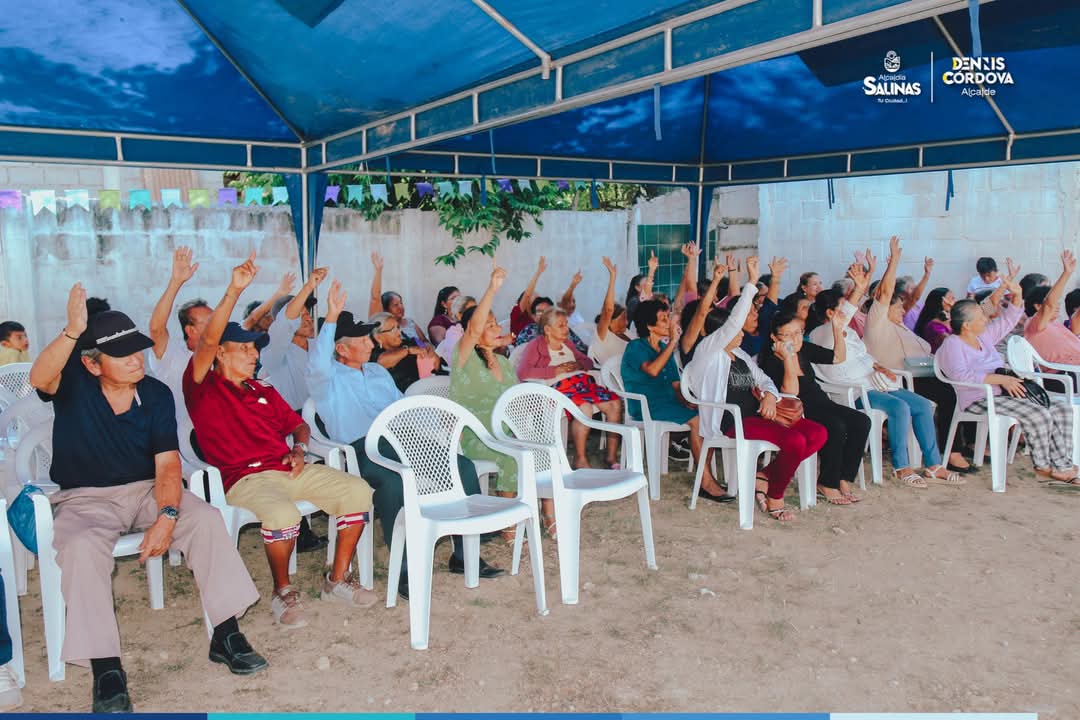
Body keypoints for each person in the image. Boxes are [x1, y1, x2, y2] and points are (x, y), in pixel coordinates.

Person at [29, 289, 266, 712]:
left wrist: (168, 515)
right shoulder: (73, 385)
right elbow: (38, 378)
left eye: (137, 349)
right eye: (122, 355)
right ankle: (106, 669)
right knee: (81, 548)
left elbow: (168, 465)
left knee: (206, 519)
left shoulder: (155, 393)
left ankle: (226, 633)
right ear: (92, 364)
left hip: (147, 491)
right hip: (85, 499)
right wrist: (72, 331)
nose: (136, 359)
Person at [185, 252, 377, 629]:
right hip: (245, 479)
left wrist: (300, 449)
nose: (253, 353)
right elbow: (206, 340)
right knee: (284, 514)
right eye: (244, 348)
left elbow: (298, 425)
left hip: (288, 468)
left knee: (358, 491)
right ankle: (282, 591)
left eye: (255, 348)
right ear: (219, 354)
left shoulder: (263, 389)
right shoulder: (203, 387)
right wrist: (234, 291)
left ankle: (336, 579)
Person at [308, 281, 504, 601]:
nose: (370, 343)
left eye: (368, 337)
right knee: (395, 483)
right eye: (361, 340)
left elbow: (403, 406)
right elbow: (317, 362)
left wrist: (435, 430)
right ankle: (404, 567)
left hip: (402, 440)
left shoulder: (377, 372)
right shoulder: (327, 380)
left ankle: (464, 553)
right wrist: (330, 317)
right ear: (341, 349)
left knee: (462, 467)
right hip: (362, 450)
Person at [684, 264, 827, 521]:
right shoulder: (707, 353)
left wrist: (770, 396)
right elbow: (733, 322)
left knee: (818, 433)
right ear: (721, 333)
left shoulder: (740, 355)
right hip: (733, 421)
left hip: (760, 415)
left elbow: (765, 380)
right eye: (736, 330)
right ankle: (775, 497)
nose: (740, 333)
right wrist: (750, 283)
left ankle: (763, 477)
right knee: (794, 441)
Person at [826, 237, 962, 487]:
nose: (903, 311)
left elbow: (864, 357)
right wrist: (894, 263)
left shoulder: (866, 332)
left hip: (883, 382)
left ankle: (933, 464)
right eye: (897, 307)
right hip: (861, 389)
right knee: (901, 407)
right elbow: (884, 294)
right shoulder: (875, 324)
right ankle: (901, 467)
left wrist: (876, 366)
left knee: (922, 405)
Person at [938, 273, 1078, 486]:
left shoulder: (983, 337)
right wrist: (1001, 380)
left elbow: (1008, 320)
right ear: (966, 325)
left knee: (1062, 409)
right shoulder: (952, 344)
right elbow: (961, 376)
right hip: (978, 399)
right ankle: (1042, 466)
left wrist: (1017, 294)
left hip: (1006, 393)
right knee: (1038, 413)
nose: (986, 319)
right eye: (981, 317)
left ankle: (1062, 466)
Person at [760, 306, 871, 504]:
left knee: (861, 421)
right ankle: (827, 482)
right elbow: (790, 392)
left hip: (820, 401)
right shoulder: (771, 360)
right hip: (797, 410)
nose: (795, 339)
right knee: (836, 426)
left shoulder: (803, 349)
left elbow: (838, 357)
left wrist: (837, 329)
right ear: (774, 338)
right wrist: (788, 358)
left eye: (798, 333)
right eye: (788, 335)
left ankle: (843, 477)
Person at [450, 265, 530, 537]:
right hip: (478, 436)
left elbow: (516, 400)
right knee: (512, 455)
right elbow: (473, 329)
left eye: (497, 324)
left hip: (507, 431)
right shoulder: (463, 356)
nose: (497, 328)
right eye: (490, 324)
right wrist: (492, 289)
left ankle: (545, 512)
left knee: (539, 447)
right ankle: (508, 524)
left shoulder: (504, 363)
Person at [620, 299, 725, 501]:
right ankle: (705, 481)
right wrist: (672, 343)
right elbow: (652, 370)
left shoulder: (663, 347)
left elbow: (676, 385)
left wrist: (688, 401)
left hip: (668, 403)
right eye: (663, 319)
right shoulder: (636, 346)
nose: (668, 322)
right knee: (698, 422)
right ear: (649, 326)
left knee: (707, 415)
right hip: (646, 406)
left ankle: (705, 475)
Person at [517, 307, 623, 470]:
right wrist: (555, 370)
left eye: (566, 324)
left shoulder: (567, 344)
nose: (566, 329)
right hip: (559, 389)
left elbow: (588, 361)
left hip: (582, 385)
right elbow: (523, 372)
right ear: (547, 329)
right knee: (584, 408)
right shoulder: (536, 345)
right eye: (561, 325)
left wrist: (578, 364)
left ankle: (611, 457)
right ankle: (580, 459)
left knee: (614, 403)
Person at [261, 268, 324, 411]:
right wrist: (308, 287)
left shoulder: (318, 345)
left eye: (308, 314)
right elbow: (285, 322)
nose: (308, 319)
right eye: (301, 315)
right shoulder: (274, 353)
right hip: (295, 420)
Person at [1024, 251, 1080, 365]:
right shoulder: (1033, 325)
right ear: (1038, 306)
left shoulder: (1056, 324)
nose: (1057, 306)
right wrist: (1066, 273)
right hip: (1066, 371)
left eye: (1058, 302)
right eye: (1055, 302)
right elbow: (1049, 304)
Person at [369, 311, 440, 392]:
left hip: (425, 390)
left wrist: (432, 355)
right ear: (378, 337)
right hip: (399, 398)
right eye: (392, 330)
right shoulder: (372, 353)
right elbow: (381, 362)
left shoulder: (411, 343)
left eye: (398, 327)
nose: (399, 332)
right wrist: (408, 350)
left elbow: (436, 367)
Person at [368, 252, 429, 345]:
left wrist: (427, 348)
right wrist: (378, 271)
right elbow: (375, 298)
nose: (400, 307)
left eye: (401, 303)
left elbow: (424, 341)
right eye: (395, 305)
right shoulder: (381, 325)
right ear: (385, 310)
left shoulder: (410, 322)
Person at [741, 256, 788, 357]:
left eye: (754, 310)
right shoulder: (739, 341)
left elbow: (770, 303)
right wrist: (752, 279)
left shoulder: (763, 325)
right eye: (748, 313)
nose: (755, 315)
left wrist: (775, 278)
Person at [590, 256, 631, 366]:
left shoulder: (627, 332)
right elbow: (608, 310)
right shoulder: (603, 335)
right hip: (616, 374)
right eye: (623, 318)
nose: (627, 322)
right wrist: (612, 278)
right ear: (611, 320)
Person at [511, 256, 549, 336]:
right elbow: (527, 295)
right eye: (535, 300)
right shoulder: (517, 314)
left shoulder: (539, 315)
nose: (538, 302)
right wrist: (538, 273)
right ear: (526, 303)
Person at [435, 294, 477, 364]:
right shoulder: (454, 334)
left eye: (477, 310)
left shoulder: (478, 329)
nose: (477, 314)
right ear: (459, 315)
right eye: (471, 311)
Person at [915, 287, 957, 353]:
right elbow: (952, 344)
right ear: (943, 302)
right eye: (952, 298)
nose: (955, 300)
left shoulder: (943, 320)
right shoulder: (935, 325)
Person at [625, 251, 659, 324]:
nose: (649, 286)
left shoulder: (651, 298)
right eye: (645, 285)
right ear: (637, 287)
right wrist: (652, 270)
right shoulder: (634, 301)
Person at [900, 257, 934, 330]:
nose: (915, 291)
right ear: (902, 294)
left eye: (915, 288)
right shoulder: (902, 307)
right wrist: (927, 274)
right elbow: (915, 297)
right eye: (912, 289)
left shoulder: (920, 304)